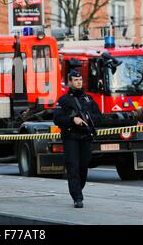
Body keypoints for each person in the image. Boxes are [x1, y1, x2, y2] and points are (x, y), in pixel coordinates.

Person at [53, 69, 102, 208]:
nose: (79, 82)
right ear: (70, 82)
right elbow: (57, 118)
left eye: (80, 79)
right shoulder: (64, 100)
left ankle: (78, 189)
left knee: (83, 166)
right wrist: (72, 120)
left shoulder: (88, 99)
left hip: (86, 137)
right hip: (71, 138)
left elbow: (99, 116)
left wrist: (88, 119)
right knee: (73, 166)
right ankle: (77, 197)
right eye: (75, 80)